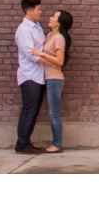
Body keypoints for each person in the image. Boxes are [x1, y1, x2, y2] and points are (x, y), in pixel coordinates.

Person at [30, 10, 73, 153]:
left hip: (55, 79)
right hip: (47, 78)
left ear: (59, 22)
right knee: (51, 113)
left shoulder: (59, 38)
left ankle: (57, 144)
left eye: (54, 16)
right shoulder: (49, 35)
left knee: (54, 113)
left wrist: (42, 54)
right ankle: (56, 143)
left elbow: (60, 62)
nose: (50, 17)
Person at [14, 0, 46, 154]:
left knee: (34, 110)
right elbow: (31, 55)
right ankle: (22, 143)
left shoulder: (37, 26)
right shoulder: (24, 30)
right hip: (30, 76)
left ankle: (26, 141)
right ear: (29, 11)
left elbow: (41, 49)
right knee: (29, 109)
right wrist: (52, 60)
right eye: (38, 9)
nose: (41, 12)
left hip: (39, 76)